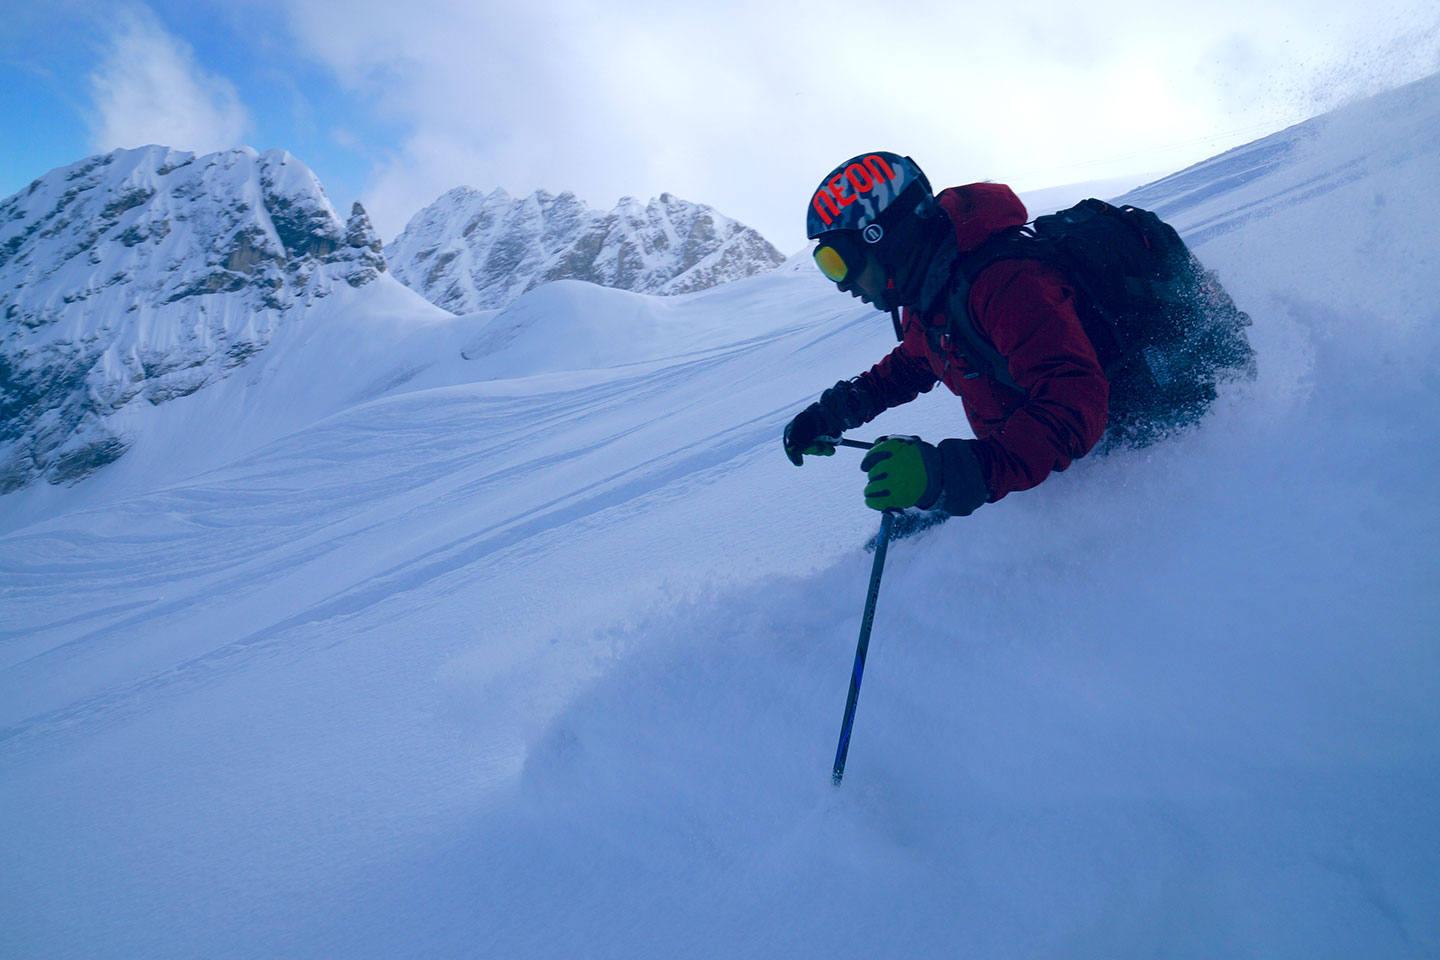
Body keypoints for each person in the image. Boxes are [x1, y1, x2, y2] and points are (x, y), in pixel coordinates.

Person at [782, 151, 1252, 520]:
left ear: (886, 240)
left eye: (838, 263)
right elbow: (911, 364)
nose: (842, 284)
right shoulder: (935, 295)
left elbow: (1073, 405)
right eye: (827, 268)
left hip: (1158, 439)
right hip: (1056, 461)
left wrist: (951, 474)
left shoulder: (1005, 285)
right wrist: (831, 413)